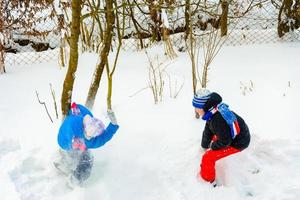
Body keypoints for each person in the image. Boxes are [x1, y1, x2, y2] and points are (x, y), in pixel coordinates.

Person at [192, 89, 250, 186]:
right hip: (230, 135)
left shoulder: (217, 119)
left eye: (197, 107)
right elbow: (208, 131)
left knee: (208, 157)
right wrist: (204, 146)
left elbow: (225, 141)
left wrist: (212, 147)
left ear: (204, 107)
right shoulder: (213, 111)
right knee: (215, 137)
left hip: (239, 142)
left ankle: (208, 181)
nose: (196, 110)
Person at [55, 102, 119, 186]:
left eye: (93, 136)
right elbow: (61, 140)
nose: (91, 138)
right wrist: (71, 144)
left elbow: (103, 138)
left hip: (77, 144)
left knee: (88, 160)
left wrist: (113, 125)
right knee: (70, 154)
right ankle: (64, 163)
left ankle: (74, 180)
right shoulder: (72, 124)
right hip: (67, 143)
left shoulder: (91, 140)